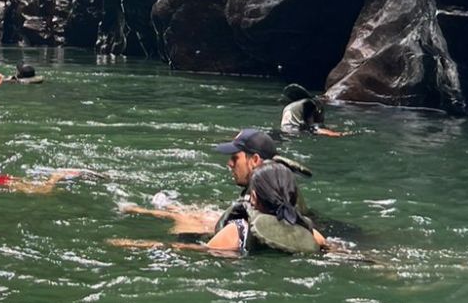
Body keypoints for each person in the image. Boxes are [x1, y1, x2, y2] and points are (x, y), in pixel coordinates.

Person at [116, 127, 327, 255]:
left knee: (185, 220)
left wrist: (140, 244)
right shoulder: (312, 234)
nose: (229, 164)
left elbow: (199, 251)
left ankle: (159, 211)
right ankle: (158, 210)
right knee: (188, 214)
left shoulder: (237, 230)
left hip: (237, 253)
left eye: (235, 158)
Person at [280, 83, 345, 137]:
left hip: (284, 130)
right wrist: (335, 133)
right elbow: (312, 126)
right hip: (295, 131)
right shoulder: (310, 103)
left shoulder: (293, 105)